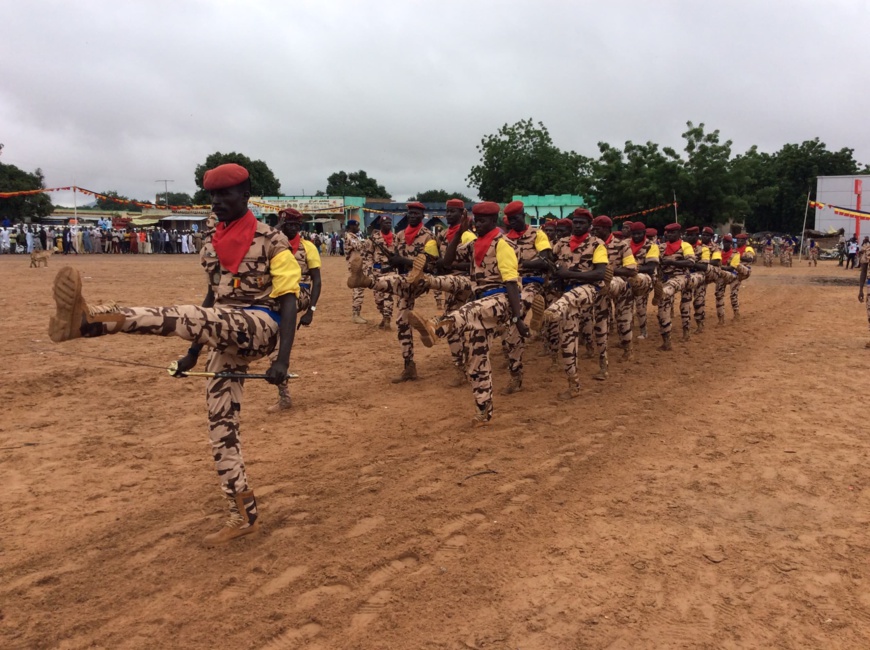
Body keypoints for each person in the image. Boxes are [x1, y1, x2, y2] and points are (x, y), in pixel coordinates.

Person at [47, 162, 301, 546]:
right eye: (212, 195)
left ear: (245, 196)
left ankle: (95, 322)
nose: (217, 202)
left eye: (225, 194)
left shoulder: (274, 241)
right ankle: (242, 511)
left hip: (260, 326)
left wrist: (281, 359)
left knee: (183, 314)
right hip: (222, 330)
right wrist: (192, 354)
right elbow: (210, 302)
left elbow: (289, 303)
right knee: (221, 428)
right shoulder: (211, 243)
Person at [408, 201, 528, 425]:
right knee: (477, 359)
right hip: (481, 303)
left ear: (493, 221)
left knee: (466, 310)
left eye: (482, 221)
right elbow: (447, 261)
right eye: (476, 220)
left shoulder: (503, 244)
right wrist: (460, 232)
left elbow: (512, 283)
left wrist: (518, 318)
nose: (478, 224)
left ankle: (436, 328)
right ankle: (483, 411)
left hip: (501, 301)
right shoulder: (476, 243)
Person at [347, 202, 435, 382]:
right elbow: (396, 258)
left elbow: (432, 265)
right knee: (402, 322)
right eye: (410, 212)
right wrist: (396, 261)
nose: (412, 216)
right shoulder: (400, 235)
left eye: (416, 213)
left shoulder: (429, 237)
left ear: (422, 216)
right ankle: (409, 365)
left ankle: (366, 281)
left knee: (395, 282)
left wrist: (403, 261)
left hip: (419, 280)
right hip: (403, 281)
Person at [268, 208, 321, 412]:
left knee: (278, 310)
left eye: (293, 225)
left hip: (301, 293)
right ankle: (284, 395)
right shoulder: (273, 245)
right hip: (277, 293)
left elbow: (317, 280)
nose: (289, 228)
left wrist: (311, 310)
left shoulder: (308, 248)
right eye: (284, 225)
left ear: (299, 227)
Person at [657, 223, 696, 351]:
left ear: (679, 233)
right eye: (668, 232)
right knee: (663, 305)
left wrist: (672, 262)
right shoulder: (661, 247)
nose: (669, 234)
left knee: (685, 306)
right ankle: (666, 340)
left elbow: (690, 262)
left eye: (673, 232)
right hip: (666, 279)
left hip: (682, 277)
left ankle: (686, 331)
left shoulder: (685, 246)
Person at [344, 220, 368, 324]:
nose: (358, 227)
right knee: (358, 288)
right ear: (351, 226)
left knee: (359, 287)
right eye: (356, 225)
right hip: (355, 265)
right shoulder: (350, 237)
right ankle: (355, 314)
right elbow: (359, 247)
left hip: (358, 263)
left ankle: (356, 313)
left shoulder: (354, 236)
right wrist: (366, 242)